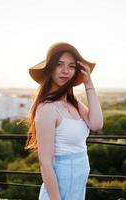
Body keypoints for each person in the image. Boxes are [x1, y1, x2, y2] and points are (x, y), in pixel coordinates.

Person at [25, 42, 103, 200]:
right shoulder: (47, 108)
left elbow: (96, 123)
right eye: (59, 64)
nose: (66, 71)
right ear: (50, 69)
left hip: (77, 187)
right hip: (60, 190)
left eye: (72, 66)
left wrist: (88, 83)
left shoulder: (73, 102)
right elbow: (46, 163)